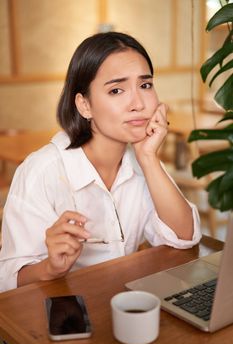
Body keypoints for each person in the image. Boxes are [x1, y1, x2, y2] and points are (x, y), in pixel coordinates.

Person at [0, 32, 201, 292]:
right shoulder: (41, 171)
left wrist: (149, 158)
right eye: (116, 90)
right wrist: (51, 267)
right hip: (60, 315)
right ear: (85, 106)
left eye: (145, 85)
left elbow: (185, 238)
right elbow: (6, 280)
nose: (138, 104)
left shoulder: (142, 160)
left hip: (122, 304)